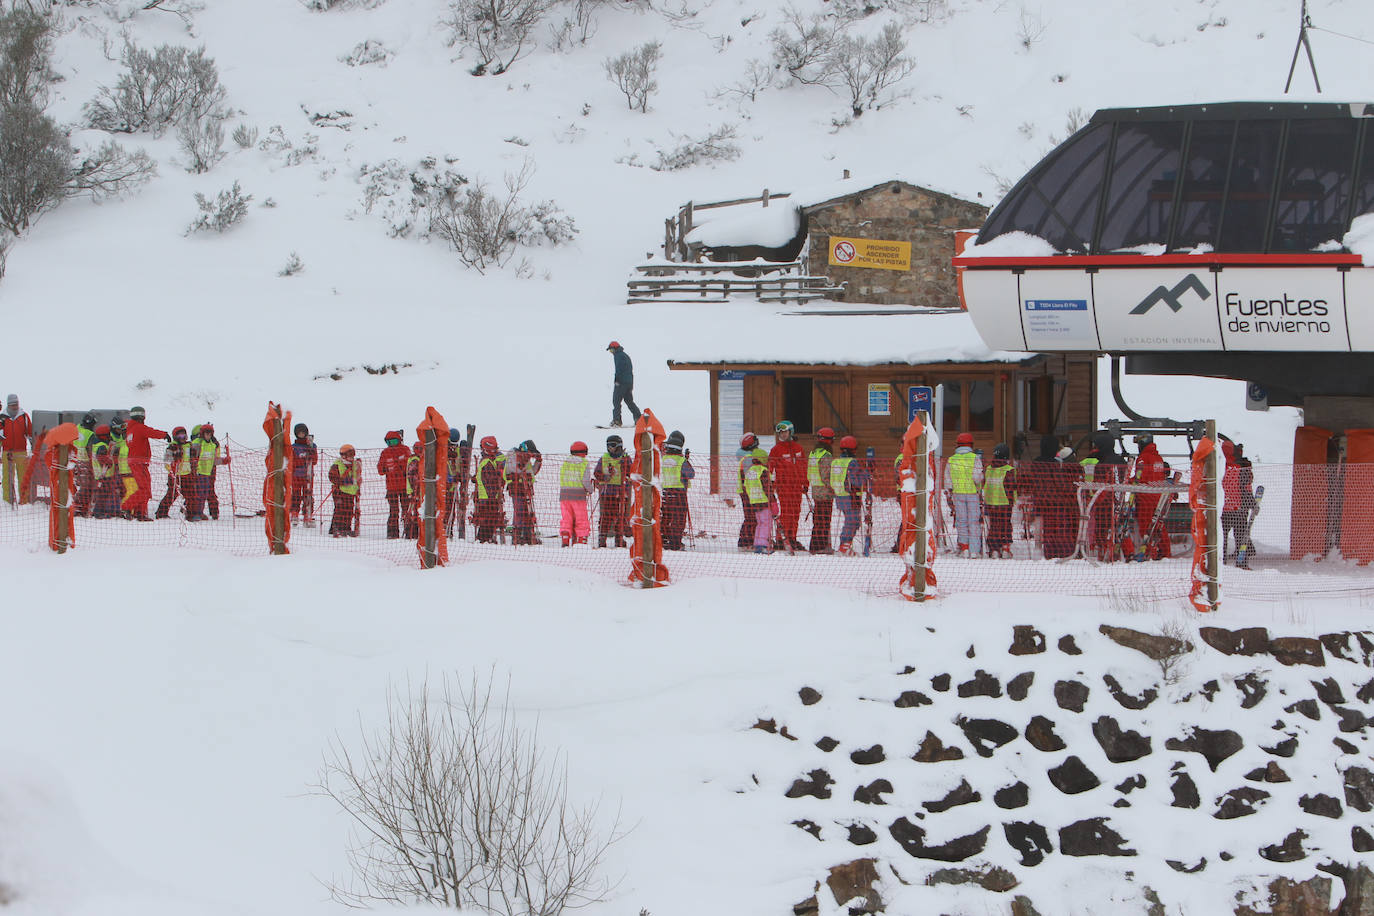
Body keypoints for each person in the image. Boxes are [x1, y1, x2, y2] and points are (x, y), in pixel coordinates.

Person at [1023, 435, 1078, 559]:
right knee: (1056, 525)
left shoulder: (1035, 462)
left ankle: (1040, 549)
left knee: (1040, 524)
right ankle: (1062, 550)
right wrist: (1071, 489)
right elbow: (1060, 483)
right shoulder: (1055, 463)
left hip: (1039, 497)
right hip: (1054, 499)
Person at [121, 406, 168, 521]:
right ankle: (126, 507)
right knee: (144, 489)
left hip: (136, 462)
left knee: (145, 489)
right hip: (139, 463)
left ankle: (140, 514)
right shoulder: (139, 428)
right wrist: (165, 435)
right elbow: (151, 432)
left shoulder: (130, 430)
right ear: (142, 416)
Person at [768, 420, 807, 552]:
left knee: (796, 512)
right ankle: (781, 539)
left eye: (785, 432)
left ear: (791, 432)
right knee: (786, 513)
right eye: (780, 433)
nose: (783, 435)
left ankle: (792, 538)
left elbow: (804, 466)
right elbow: (770, 467)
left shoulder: (798, 448)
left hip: (796, 486)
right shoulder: (776, 449)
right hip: (784, 486)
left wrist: (805, 483)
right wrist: (770, 484)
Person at [1089, 432, 1128, 561]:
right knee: (1119, 527)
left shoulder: (1103, 463)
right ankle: (1122, 552)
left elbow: (1098, 483)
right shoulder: (1119, 460)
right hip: (1119, 499)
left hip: (1105, 501)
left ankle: (1103, 552)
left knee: (1102, 528)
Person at [945, 432, 985, 557]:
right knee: (973, 521)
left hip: (958, 494)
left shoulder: (951, 459)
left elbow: (947, 480)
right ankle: (974, 550)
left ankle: (964, 547)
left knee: (961, 521)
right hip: (972, 493)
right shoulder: (974, 458)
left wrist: (950, 492)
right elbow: (977, 477)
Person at [1132, 434, 1171, 560]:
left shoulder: (1143, 458)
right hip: (1158, 496)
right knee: (1159, 525)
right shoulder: (1158, 457)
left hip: (1145, 497)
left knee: (1146, 526)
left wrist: (1127, 482)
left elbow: (1140, 477)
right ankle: (1165, 552)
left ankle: (1149, 552)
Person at [1222, 439, 1255, 569]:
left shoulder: (1217, 467)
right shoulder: (1241, 467)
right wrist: (1251, 503)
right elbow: (1246, 487)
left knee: (1221, 537)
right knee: (1241, 535)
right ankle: (1242, 562)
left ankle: (1220, 561)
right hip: (1239, 508)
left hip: (1222, 509)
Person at [593, 434, 630, 548]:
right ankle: (602, 538)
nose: (610, 448)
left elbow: (631, 472)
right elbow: (597, 473)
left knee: (621, 517)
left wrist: (625, 468)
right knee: (606, 517)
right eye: (608, 446)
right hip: (608, 493)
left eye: (612, 446)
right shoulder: (604, 458)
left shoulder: (625, 458)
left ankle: (619, 539)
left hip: (622, 493)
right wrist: (604, 478)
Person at [661, 430, 695, 550]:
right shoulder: (681, 461)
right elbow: (690, 474)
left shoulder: (662, 459)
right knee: (678, 519)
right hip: (679, 494)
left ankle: (663, 540)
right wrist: (686, 461)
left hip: (664, 493)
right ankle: (675, 543)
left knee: (666, 517)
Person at [186, 423, 227, 521]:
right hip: (198, 473)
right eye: (206, 433)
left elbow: (213, 460)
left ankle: (200, 512)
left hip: (208, 473)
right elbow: (191, 457)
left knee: (204, 494)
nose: (208, 435)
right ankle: (195, 513)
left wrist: (224, 461)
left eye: (210, 433)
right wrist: (193, 467)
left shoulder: (213, 445)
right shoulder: (197, 443)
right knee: (198, 494)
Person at [735, 432, 768, 551]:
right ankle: (745, 542)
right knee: (751, 517)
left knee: (751, 516)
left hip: (745, 489)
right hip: (749, 489)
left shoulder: (744, 456)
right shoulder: (750, 458)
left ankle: (750, 540)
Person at [984, 443, 1017, 559]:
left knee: (994, 526)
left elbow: (985, 485)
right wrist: (1014, 500)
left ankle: (994, 549)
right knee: (1005, 525)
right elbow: (1012, 487)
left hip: (991, 502)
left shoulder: (988, 469)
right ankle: (1005, 548)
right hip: (1005, 503)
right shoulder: (1009, 470)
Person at [741, 452, 778, 554]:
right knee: (766, 523)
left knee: (760, 523)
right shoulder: (763, 471)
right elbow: (768, 489)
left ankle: (757, 544)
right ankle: (762, 546)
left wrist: (752, 498)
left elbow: (746, 487)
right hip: (764, 501)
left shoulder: (750, 471)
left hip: (754, 501)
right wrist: (773, 502)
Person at [833, 435, 865, 554]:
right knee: (852, 522)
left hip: (840, 495)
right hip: (852, 496)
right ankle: (844, 546)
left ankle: (846, 544)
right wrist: (866, 474)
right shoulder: (852, 463)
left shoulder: (837, 461)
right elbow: (856, 481)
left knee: (851, 521)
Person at [558, 441, 594, 547]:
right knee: (581, 518)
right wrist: (590, 490)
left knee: (566, 517)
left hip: (564, 495)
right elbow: (585, 481)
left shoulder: (565, 462)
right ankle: (582, 539)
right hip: (578, 495)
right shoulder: (584, 463)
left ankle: (565, 537)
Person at [807, 428, 836, 553]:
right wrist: (835, 488)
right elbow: (827, 475)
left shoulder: (813, 453)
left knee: (818, 520)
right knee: (824, 520)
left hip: (815, 490)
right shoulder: (826, 455)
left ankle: (814, 546)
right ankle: (821, 547)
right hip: (825, 492)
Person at [507, 440, 541, 545]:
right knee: (519, 511)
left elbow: (532, 472)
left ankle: (527, 535)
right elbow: (515, 470)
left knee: (527, 512)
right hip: (516, 488)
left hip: (526, 488)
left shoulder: (526, 460)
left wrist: (538, 461)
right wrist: (524, 461)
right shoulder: (513, 456)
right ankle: (517, 536)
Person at [377, 430, 410, 539]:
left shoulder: (405, 450)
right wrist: (387, 468)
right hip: (392, 488)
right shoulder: (385, 453)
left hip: (405, 488)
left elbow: (411, 466)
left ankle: (409, 532)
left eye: (394, 441)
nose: (392, 444)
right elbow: (380, 470)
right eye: (389, 442)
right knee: (394, 511)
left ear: (399, 440)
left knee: (407, 510)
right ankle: (392, 534)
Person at [473, 435, 506, 544]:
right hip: (489, 497)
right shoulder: (488, 463)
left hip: (486, 496)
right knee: (489, 520)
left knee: (488, 519)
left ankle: (484, 539)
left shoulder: (486, 461)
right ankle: (484, 539)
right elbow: (490, 482)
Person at [1, 393, 32, 505]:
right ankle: (8, 501)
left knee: (23, 476)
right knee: (7, 478)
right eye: (12, 405)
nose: (15, 407)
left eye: (16, 404)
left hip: (21, 451)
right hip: (6, 452)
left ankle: (24, 501)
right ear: (8, 405)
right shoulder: (2, 418)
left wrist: (33, 448)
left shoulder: (24, 416)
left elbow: (30, 434)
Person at [155, 426, 191, 519]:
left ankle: (190, 512)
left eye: (184, 436)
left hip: (187, 474)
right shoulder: (172, 447)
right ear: (175, 437)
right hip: (175, 475)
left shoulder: (189, 446)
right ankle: (161, 512)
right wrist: (173, 468)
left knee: (190, 494)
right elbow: (166, 461)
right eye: (179, 436)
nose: (182, 438)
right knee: (172, 494)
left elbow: (195, 456)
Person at [606, 341, 640, 428]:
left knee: (616, 401)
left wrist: (617, 381)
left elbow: (619, 370)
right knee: (629, 401)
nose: (611, 353)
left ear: (615, 349)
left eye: (611, 350)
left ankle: (617, 421)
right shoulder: (625, 355)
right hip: (629, 382)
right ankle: (639, 418)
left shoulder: (618, 356)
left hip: (621, 382)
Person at [328, 444, 360, 537]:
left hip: (351, 492)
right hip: (339, 491)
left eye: (352, 455)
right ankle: (336, 528)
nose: (351, 458)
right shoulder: (337, 464)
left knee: (349, 511)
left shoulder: (355, 464)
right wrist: (344, 481)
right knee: (340, 510)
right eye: (349, 455)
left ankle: (346, 529)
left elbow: (357, 476)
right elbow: (332, 477)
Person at [88, 425, 120, 519]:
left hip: (99, 474)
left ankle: (99, 511)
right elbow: (102, 459)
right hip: (104, 474)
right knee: (103, 495)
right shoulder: (102, 446)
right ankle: (98, 512)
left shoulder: (96, 444)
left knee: (103, 494)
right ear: (104, 436)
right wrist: (109, 462)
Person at [290, 423, 318, 526]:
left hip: (308, 476)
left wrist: (311, 454)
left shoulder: (312, 446)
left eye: (303, 432)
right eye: (299, 433)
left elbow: (314, 461)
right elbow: (292, 461)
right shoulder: (293, 447)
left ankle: (308, 515)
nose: (301, 434)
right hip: (296, 475)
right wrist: (304, 460)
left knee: (308, 495)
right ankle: (294, 514)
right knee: (296, 495)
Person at [74, 411, 98, 518]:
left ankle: (77, 506)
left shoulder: (76, 428)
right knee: (86, 486)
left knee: (79, 486)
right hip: (85, 462)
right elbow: (90, 450)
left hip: (74, 461)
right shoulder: (90, 434)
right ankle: (80, 508)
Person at [404, 441, 423, 539]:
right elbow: (413, 477)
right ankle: (412, 533)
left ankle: (412, 533)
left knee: (415, 512)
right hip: (414, 490)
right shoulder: (415, 460)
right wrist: (415, 489)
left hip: (414, 490)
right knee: (415, 512)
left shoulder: (415, 459)